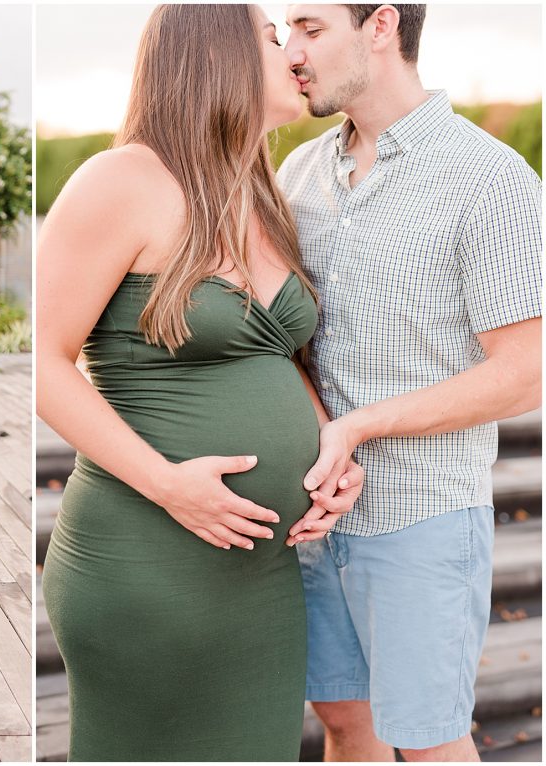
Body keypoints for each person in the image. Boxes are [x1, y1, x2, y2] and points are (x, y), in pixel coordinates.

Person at [37, 5, 363, 760]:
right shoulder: (121, 180)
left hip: (262, 571)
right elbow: (47, 368)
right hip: (148, 560)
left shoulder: (258, 192)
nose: (291, 50)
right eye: (270, 35)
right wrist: (167, 484)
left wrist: (331, 455)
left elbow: (273, 353)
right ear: (213, 52)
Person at [277, 4, 542, 761]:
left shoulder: (489, 178)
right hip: (315, 519)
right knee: (342, 722)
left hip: (424, 518)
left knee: (428, 744)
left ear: (382, 25)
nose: (292, 52)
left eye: (311, 27)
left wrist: (360, 427)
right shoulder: (299, 173)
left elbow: (527, 376)